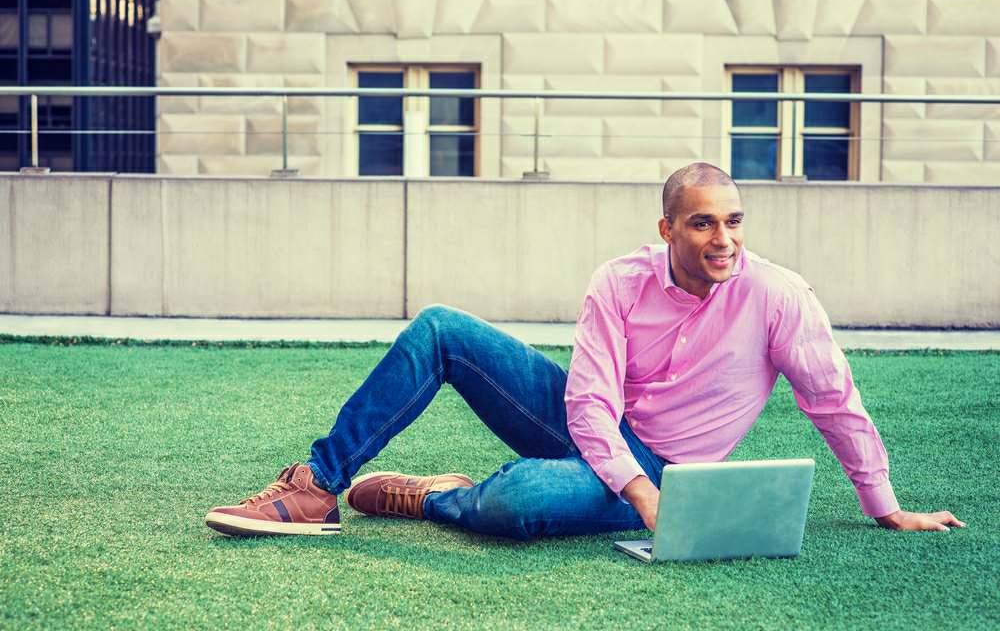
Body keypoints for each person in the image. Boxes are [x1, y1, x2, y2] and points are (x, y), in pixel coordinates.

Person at [205, 162, 965, 540]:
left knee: (518, 500)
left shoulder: (779, 297)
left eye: (734, 221)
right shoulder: (618, 281)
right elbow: (589, 402)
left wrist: (884, 503)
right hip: (595, 432)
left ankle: (433, 495)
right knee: (439, 325)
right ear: (668, 229)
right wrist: (638, 497)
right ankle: (315, 484)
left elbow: (832, 397)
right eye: (703, 223)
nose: (724, 239)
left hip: (675, 465)